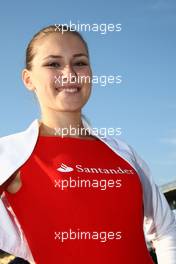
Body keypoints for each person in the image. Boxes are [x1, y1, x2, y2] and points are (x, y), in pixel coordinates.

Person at [0, 25, 175, 264]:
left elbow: (165, 229)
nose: (69, 73)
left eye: (80, 62)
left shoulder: (122, 151)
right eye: (53, 64)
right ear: (28, 79)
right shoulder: (11, 152)